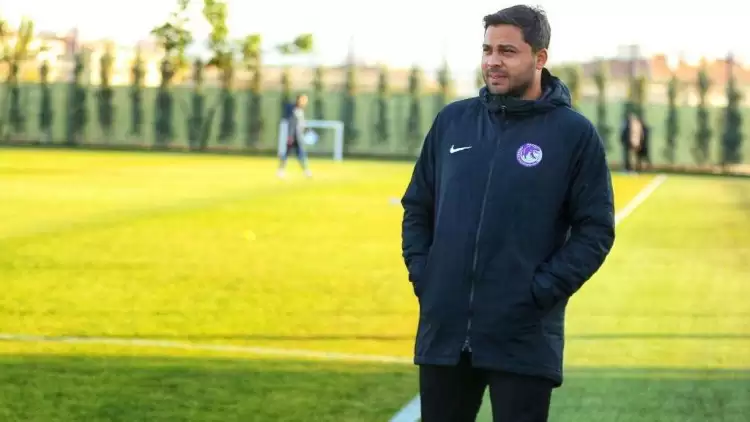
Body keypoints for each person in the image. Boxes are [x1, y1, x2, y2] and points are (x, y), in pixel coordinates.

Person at [400, 5, 615, 422]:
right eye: (487, 50)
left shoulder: (573, 134)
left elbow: (595, 230)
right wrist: (425, 275)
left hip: (523, 336)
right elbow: (417, 206)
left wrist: (539, 292)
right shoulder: (453, 121)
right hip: (445, 331)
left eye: (507, 51)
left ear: (540, 57)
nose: (493, 61)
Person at [278, 94, 312, 178]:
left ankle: (305, 171)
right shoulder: (293, 109)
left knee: (299, 153)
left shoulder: (301, 110)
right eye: (304, 100)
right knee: (289, 152)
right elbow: (291, 122)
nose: (305, 102)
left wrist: (307, 129)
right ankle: (281, 170)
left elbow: (302, 122)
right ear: (299, 100)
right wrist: (290, 136)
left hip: (298, 135)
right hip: (293, 135)